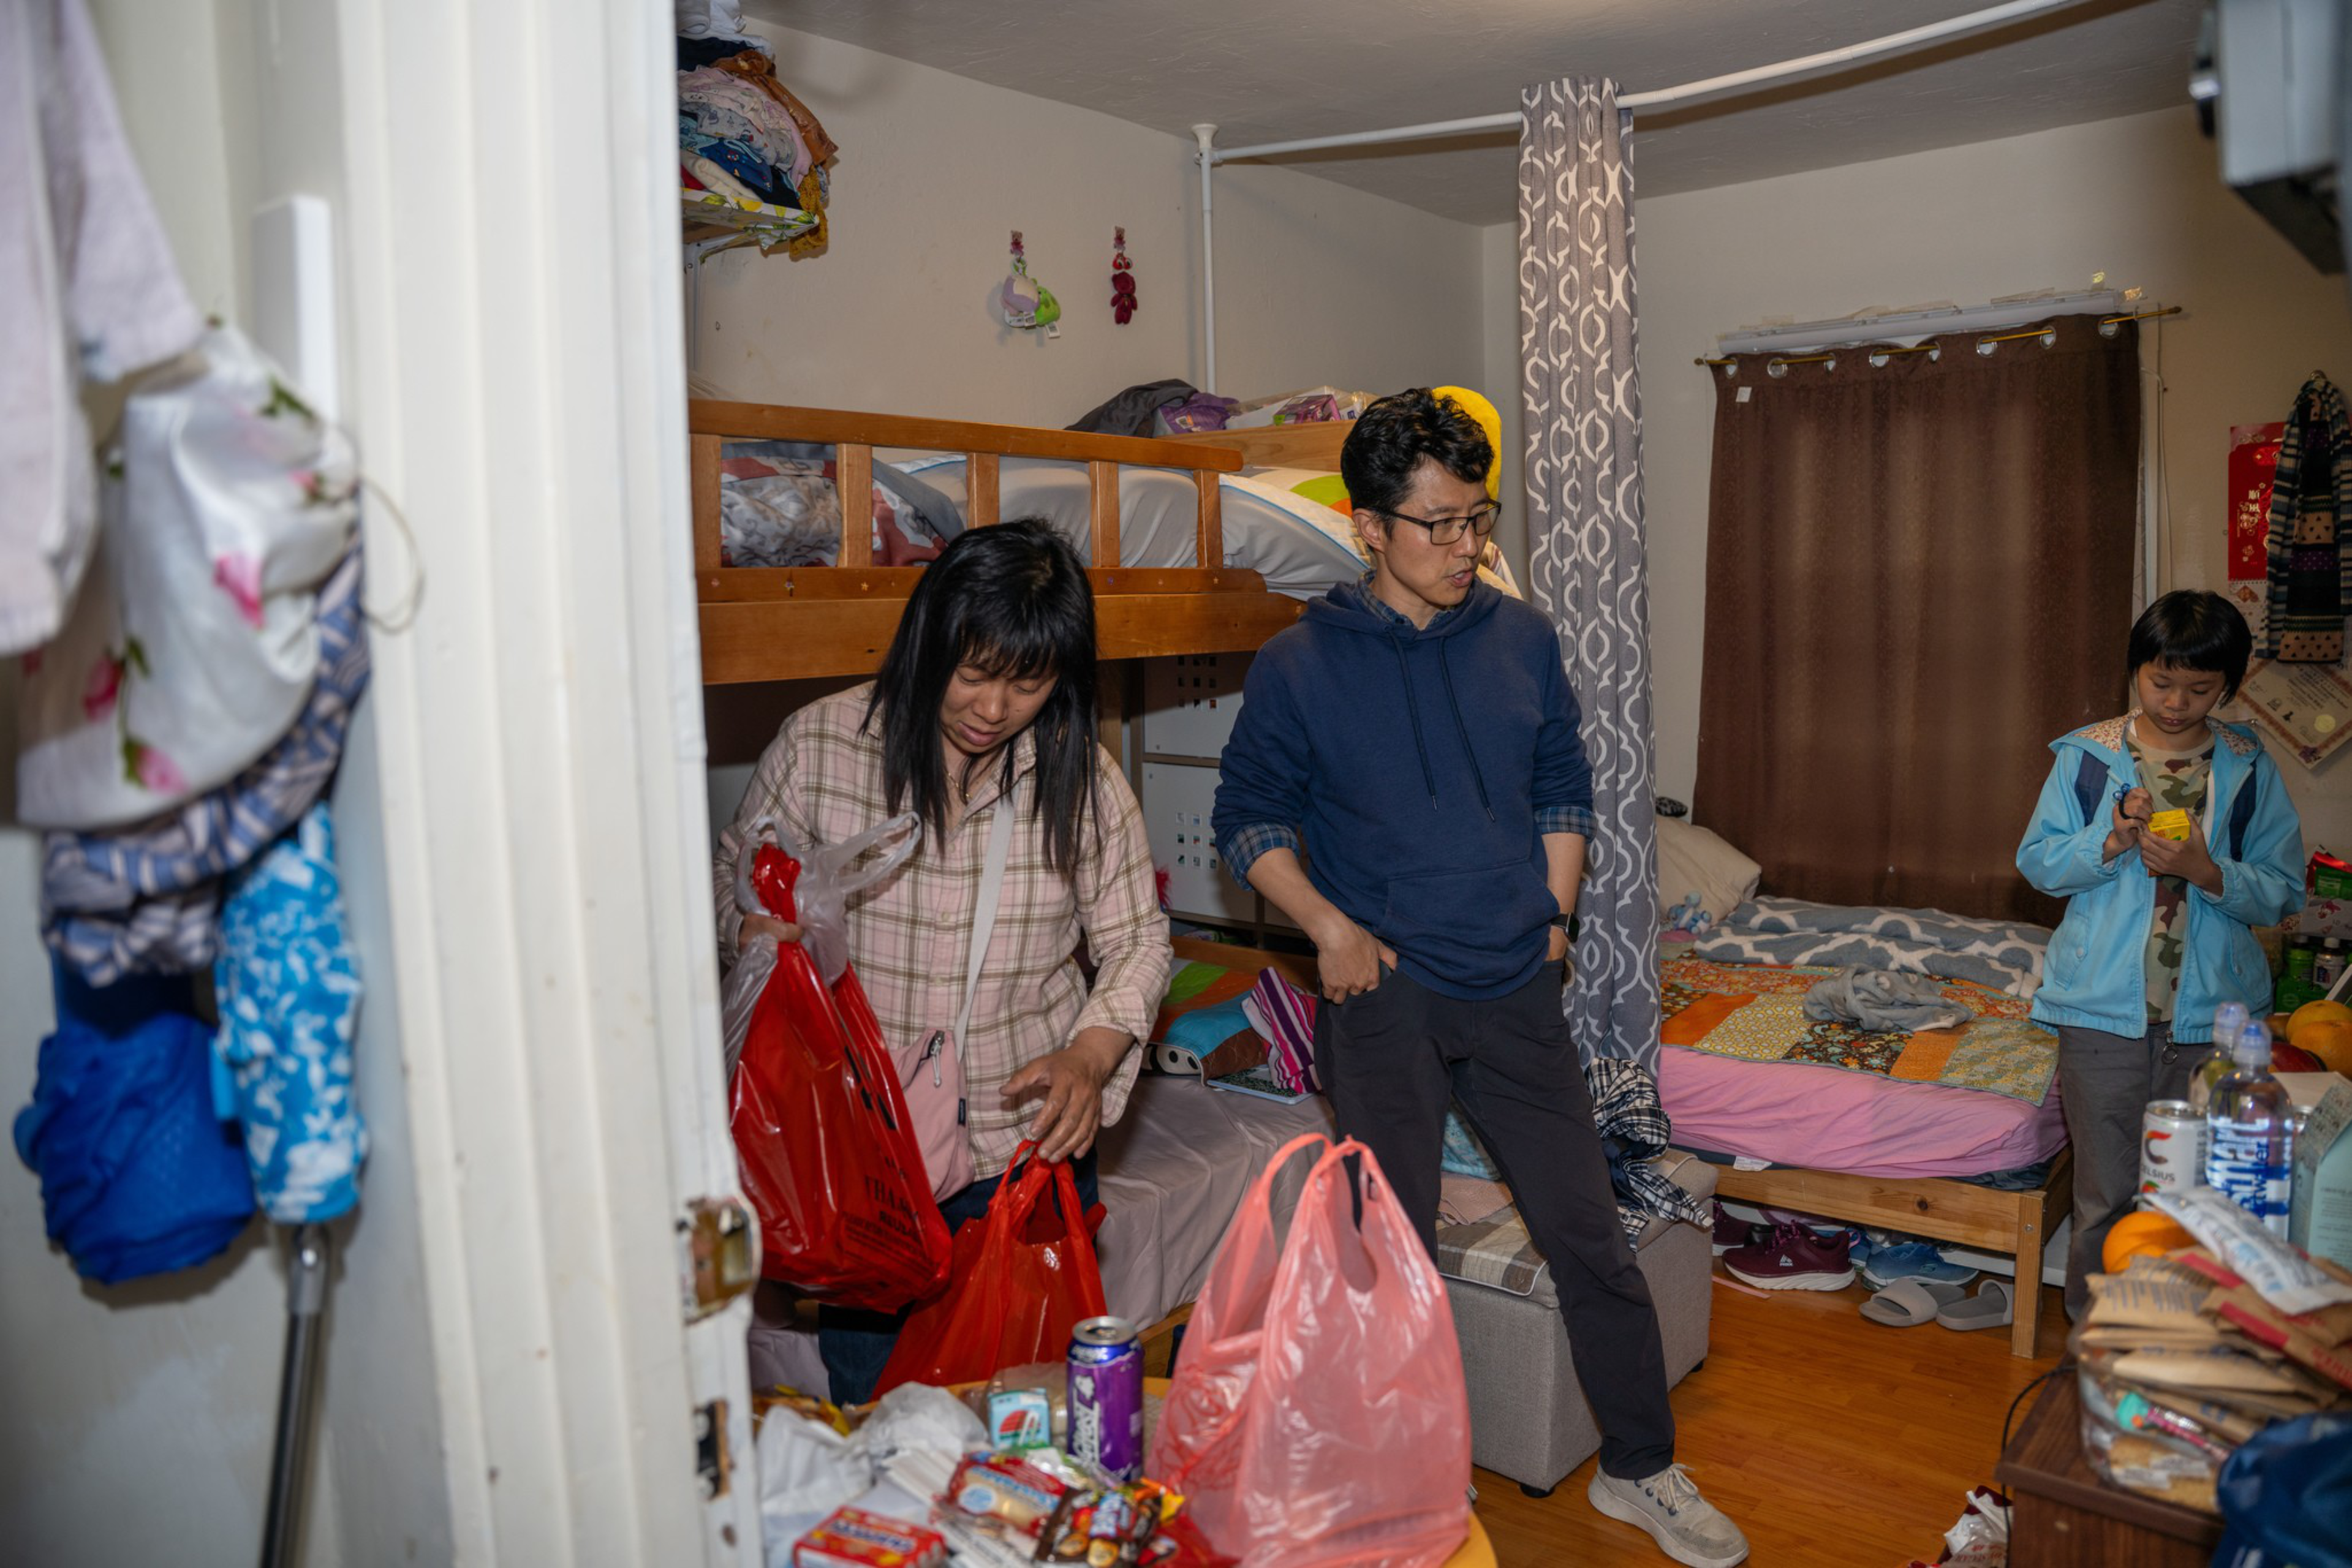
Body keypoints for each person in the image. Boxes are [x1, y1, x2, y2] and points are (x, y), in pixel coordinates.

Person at [1211, 389, 1749, 1568]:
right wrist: (1326, 928)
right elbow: (1245, 818)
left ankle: (1640, 1469)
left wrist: (1551, 917)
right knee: (1385, 1258)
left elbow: (1562, 782)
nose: (1465, 546)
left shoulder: (1522, 638)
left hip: (1511, 984)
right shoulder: (1298, 665)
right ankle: (1393, 1478)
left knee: (1587, 1233)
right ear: (1368, 526)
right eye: (1438, 523)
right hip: (1380, 997)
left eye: (1477, 517)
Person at [713, 519, 1169, 1404]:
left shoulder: (1081, 777)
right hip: (864, 1160)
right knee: (877, 1407)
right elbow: (735, 876)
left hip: (1023, 1145)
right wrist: (757, 932)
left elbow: (1137, 939)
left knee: (1022, 1408)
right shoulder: (820, 746)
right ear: (929, 641)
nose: (992, 709)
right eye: (973, 672)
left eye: (1027, 684)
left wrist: (1089, 1056)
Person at [2017, 590, 2304, 1321]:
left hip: (2212, 1022)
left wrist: (2207, 872)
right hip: (2098, 1018)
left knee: (2198, 1196)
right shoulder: (2085, 758)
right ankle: (2095, 1339)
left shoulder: (2246, 765)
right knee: (2103, 1196)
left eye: (2198, 689)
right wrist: (2109, 840)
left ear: (2228, 686)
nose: (2175, 703)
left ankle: (2182, 1337)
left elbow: (2280, 890)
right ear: (2135, 671)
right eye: (2160, 681)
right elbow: (2039, 864)